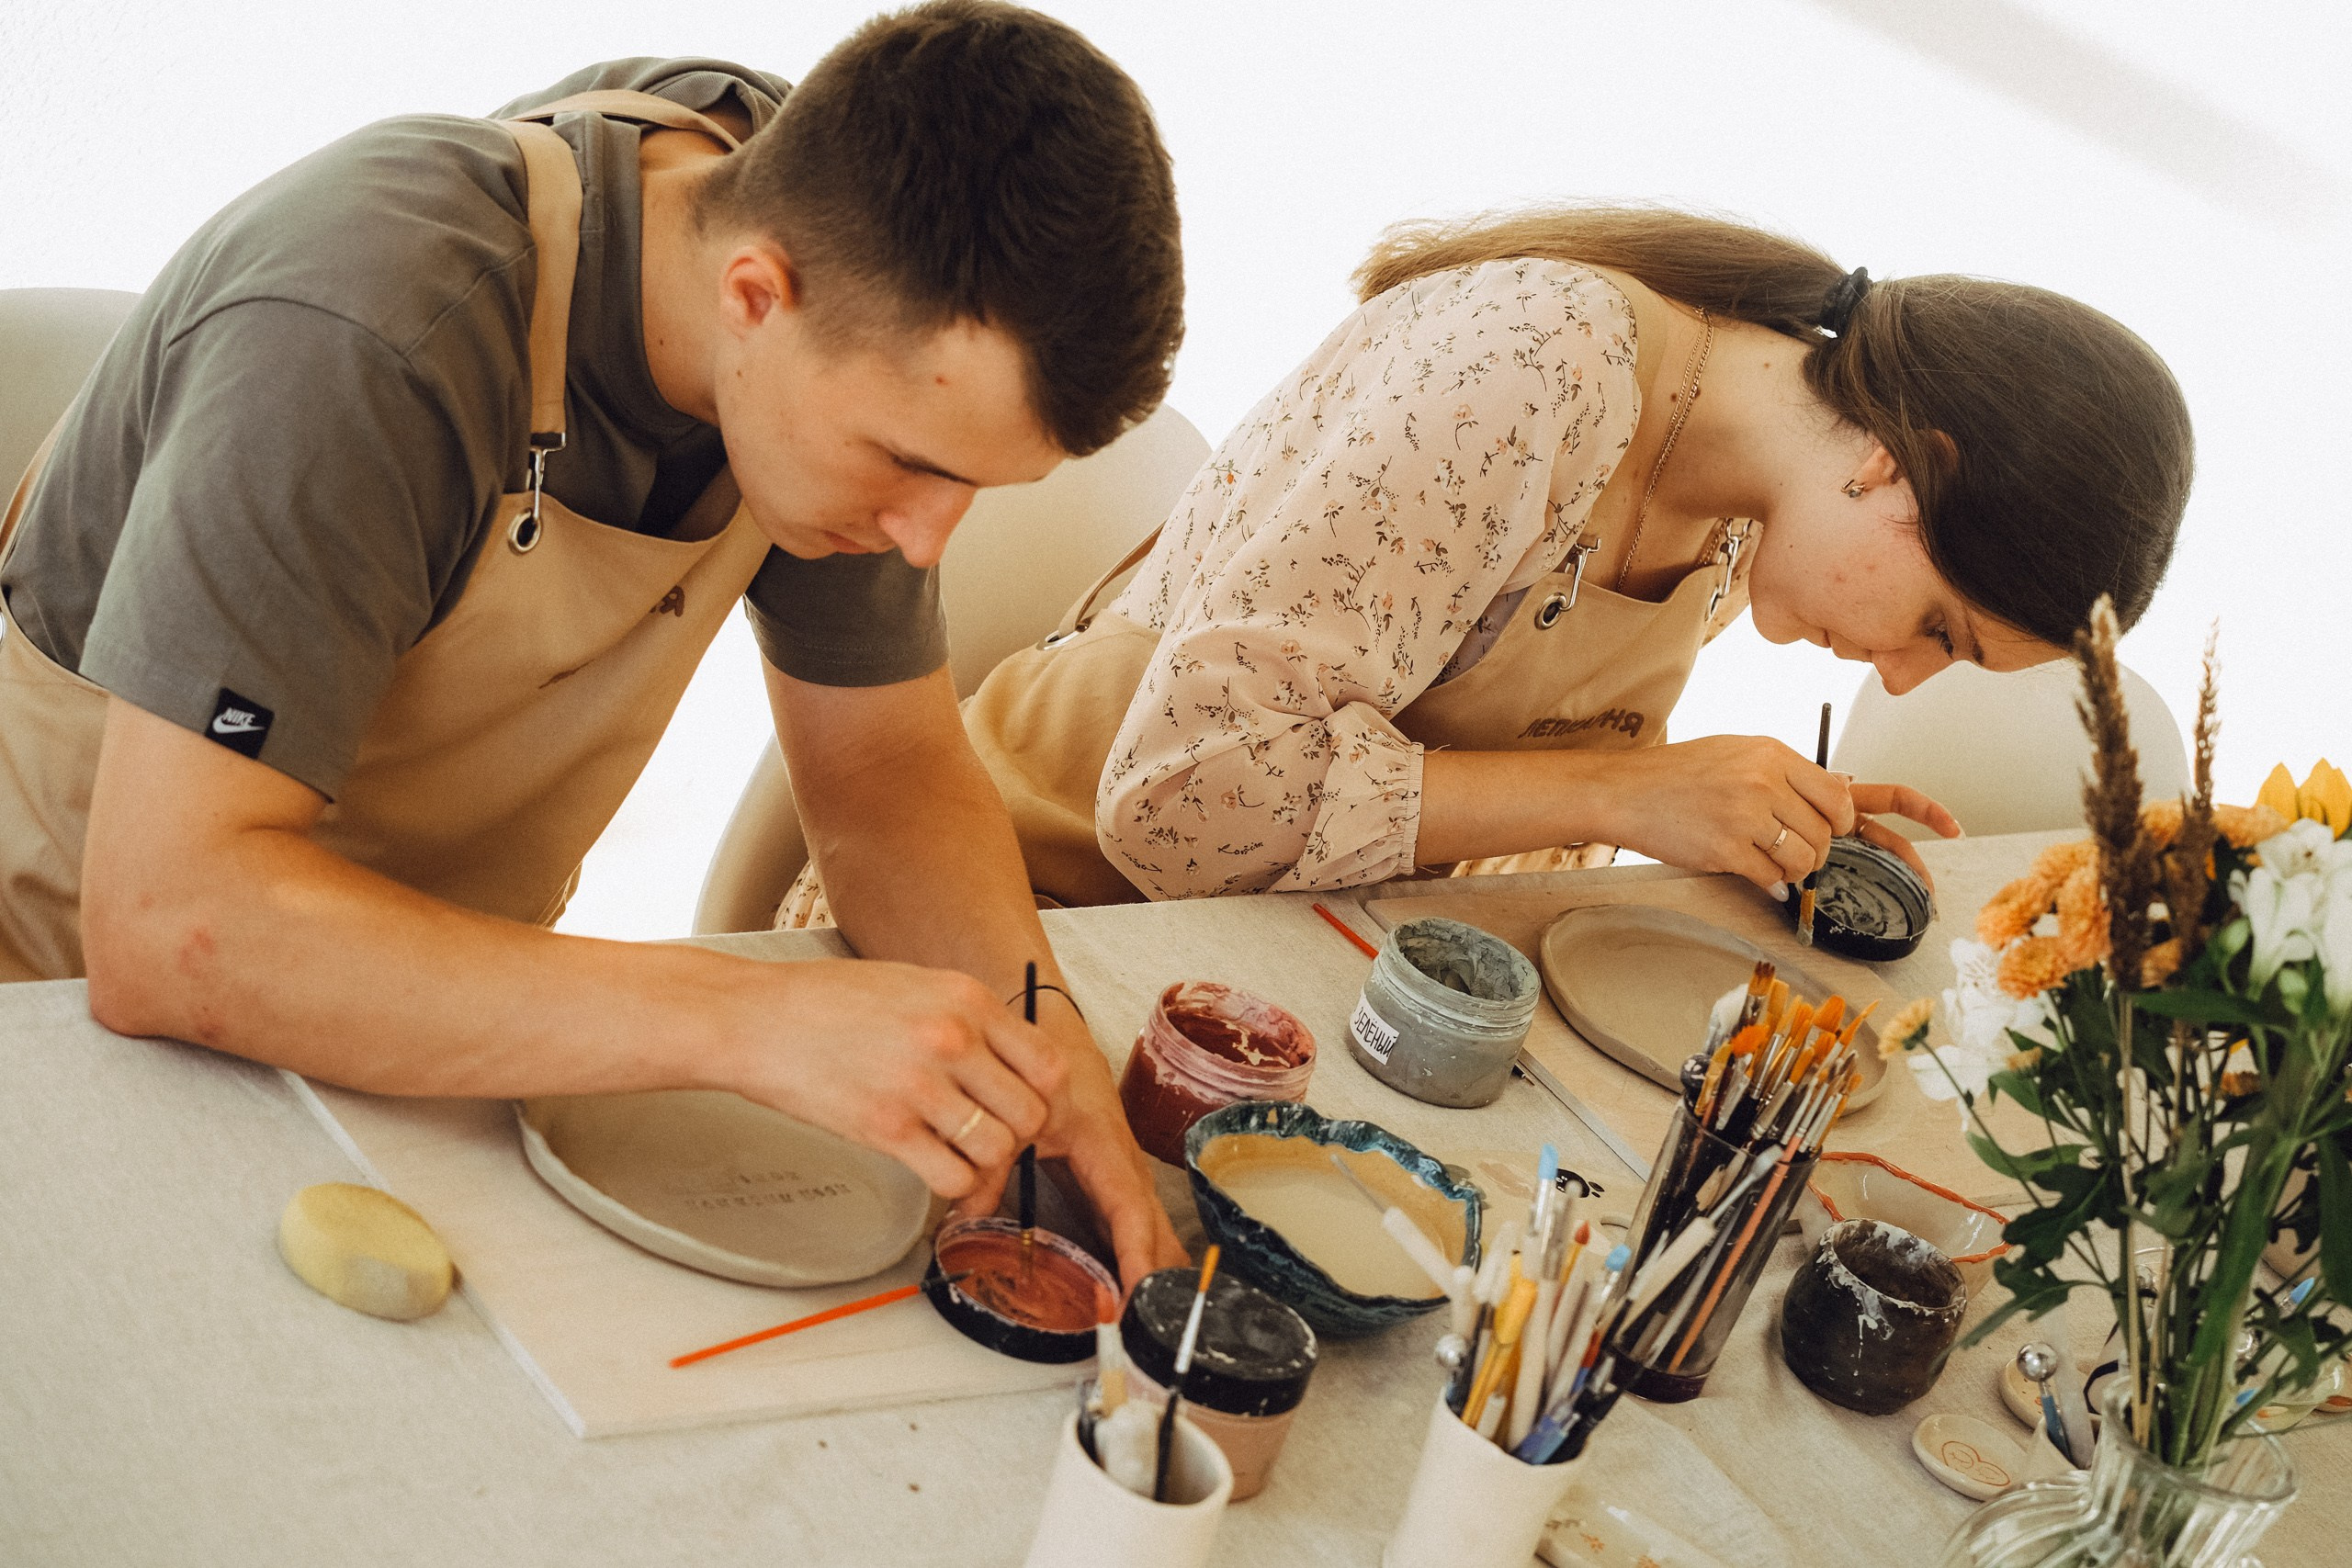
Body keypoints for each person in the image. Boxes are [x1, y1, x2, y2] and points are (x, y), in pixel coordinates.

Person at [0, 5, 1192, 1282]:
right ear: (755, 296)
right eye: (907, 466)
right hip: (68, 1010)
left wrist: (1040, 1035)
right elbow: (172, 926)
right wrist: (747, 1018)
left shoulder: (830, 261)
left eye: (971, 489)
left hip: (440, 1029)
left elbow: (888, 778)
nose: (924, 542)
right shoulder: (369, 330)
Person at [783, 207, 2190, 916]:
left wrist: (1728, 820)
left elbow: (1454, 784)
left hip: (1264, 960)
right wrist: (1634, 790)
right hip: (1016, 898)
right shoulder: (1530, 371)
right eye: (1938, 627)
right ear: (1904, 465)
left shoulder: (1742, 504)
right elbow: (1184, 805)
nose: (1895, 670)